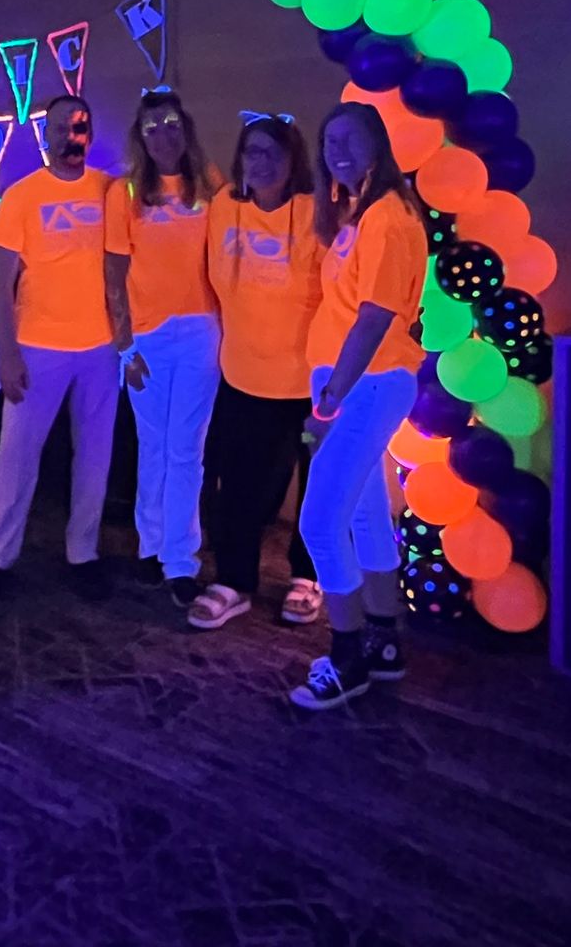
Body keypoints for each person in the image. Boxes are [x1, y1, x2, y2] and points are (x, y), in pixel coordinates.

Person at [289, 100, 427, 709]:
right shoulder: (357, 214)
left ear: (379, 146)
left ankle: (347, 659)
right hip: (353, 383)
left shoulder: (390, 218)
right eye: (329, 141)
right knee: (367, 517)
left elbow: (375, 318)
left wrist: (329, 400)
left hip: (367, 384)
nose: (338, 150)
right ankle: (384, 643)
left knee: (319, 521)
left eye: (351, 138)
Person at [0, 94, 118, 604]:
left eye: (79, 126)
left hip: (101, 348)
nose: (69, 136)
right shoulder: (20, 195)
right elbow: (1, 287)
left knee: (95, 456)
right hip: (38, 347)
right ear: (46, 134)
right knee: (15, 456)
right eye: (59, 127)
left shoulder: (110, 191)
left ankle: (84, 553)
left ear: (90, 131)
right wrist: (7, 353)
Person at [186, 113, 326, 631]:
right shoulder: (225, 207)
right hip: (242, 374)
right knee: (238, 485)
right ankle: (234, 582)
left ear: (294, 163)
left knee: (316, 486)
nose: (260, 162)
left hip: (310, 376)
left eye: (272, 153)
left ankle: (308, 578)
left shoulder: (318, 213)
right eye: (252, 152)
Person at [104, 87, 222, 609]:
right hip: (146, 338)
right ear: (140, 136)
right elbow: (114, 272)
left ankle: (181, 560)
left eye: (171, 123)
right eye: (151, 127)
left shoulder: (211, 184)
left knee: (185, 449)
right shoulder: (125, 193)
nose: (162, 135)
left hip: (201, 332)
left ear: (186, 128)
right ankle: (151, 548)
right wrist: (124, 346)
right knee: (153, 447)